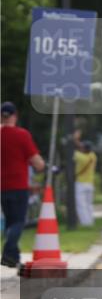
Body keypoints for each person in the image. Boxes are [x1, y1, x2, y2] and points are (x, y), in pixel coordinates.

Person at [0, 102, 46, 268]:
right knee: (19, 221)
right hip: (18, 185)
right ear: (15, 116)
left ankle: (12, 258)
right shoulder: (22, 135)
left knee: (10, 221)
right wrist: (43, 166)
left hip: (1, 187)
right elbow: (37, 162)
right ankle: (7, 251)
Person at [72, 132, 97, 227]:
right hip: (90, 183)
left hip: (80, 184)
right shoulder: (93, 156)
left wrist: (74, 139)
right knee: (89, 204)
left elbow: (74, 149)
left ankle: (86, 224)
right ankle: (91, 221)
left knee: (81, 205)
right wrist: (77, 140)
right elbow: (82, 147)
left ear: (83, 149)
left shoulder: (79, 156)